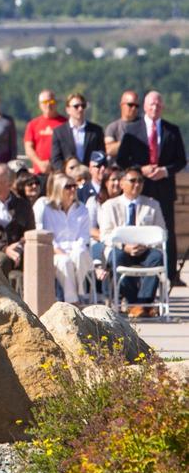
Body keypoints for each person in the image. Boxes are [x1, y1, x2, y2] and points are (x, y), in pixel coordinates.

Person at [116, 90, 186, 285]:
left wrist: (165, 170)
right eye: (151, 104)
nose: (155, 108)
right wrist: (141, 170)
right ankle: (137, 274)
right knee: (138, 229)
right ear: (145, 106)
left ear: (162, 107)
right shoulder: (132, 130)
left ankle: (171, 275)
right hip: (141, 188)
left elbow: (181, 160)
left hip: (164, 188)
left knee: (167, 232)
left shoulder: (172, 130)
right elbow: (122, 160)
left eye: (158, 104)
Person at [98, 166, 166, 317]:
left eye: (141, 181)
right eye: (133, 180)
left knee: (157, 257)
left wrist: (146, 245)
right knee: (117, 257)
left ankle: (141, 304)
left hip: (145, 249)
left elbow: (162, 232)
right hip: (121, 249)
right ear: (122, 183)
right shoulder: (109, 206)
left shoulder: (152, 205)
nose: (137, 184)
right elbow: (105, 235)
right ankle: (137, 303)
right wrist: (124, 246)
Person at [39, 173, 94, 304]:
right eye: (68, 187)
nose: (73, 189)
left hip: (78, 250)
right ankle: (75, 300)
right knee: (64, 262)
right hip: (57, 253)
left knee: (78, 255)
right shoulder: (48, 209)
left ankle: (77, 295)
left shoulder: (82, 209)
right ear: (59, 189)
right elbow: (50, 237)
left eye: (74, 186)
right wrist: (62, 253)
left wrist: (73, 251)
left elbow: (84, 236)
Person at [49, 92, 105, 171]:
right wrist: (68, 172)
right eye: (76, 106)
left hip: (90, 176)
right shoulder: (59, 132)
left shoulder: (96, 131)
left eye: (83, 106)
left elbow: (101, 155)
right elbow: (55, 160)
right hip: (68, 178)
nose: (80, 109)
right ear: (68, 110)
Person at [24, 89, 66, 175]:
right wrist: (39, 163)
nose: (48, 104)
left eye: (51, 101)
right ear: (40, 105)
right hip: (39, 172)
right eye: (45, 102)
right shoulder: (33, 124)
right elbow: (28, 148)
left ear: (56, 103)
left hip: (60, 172)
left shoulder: (65, 123)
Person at [104, 90, 141, 158]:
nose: (134, 108)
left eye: (136, 106)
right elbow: (109, 150)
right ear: (122, 105)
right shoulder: (112, 127)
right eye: (130, 105)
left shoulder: (144, 125)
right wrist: (129, 143)